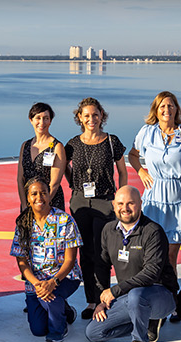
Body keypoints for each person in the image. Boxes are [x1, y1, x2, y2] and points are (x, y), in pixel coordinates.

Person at [88, 183, 180, 342]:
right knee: (94, 332)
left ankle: (140, 341)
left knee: (137, 295)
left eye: (131, 203)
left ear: (140, 204)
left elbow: (151, 273)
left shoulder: (153, 232)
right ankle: (145, 321)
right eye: (120, 204)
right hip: (127, 295)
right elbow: (101, 266)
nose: (125, 208)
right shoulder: (108, 230)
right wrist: (100, 299)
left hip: (159, 295)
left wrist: (114, 291)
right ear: (113, 205)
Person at [127, 89, 181, 270]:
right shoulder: (146, 133)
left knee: (171, 251)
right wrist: (141, 171)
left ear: (176, 109)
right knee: (150, 247)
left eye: (170, 105)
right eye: (162, 106)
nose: (166, 109)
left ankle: (170, 292)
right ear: (155, 110)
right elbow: (133, 155)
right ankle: (152, 287)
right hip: (155, 194)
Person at [65, 97, 129, 308]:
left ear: (102, 116)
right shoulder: (73, 144)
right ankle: (91, 301)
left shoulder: (112, 141)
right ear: (80, 118)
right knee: (85, 252)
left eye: (95, 114)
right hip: (80, 203)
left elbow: (122, 171)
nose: (91, 119)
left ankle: (104, 298)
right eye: (86, 115)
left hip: (105, 202)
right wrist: (74, 186)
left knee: (102, 252)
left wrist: (120, 199)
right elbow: (64, 166)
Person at [10, 177, 83, 342]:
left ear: (50, 195)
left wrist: (53, 281)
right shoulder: (23, 224)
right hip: (35, 282)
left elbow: (70, 260)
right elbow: (22, 263)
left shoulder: (65, 221)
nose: (39, 197)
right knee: (38, 330)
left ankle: (60, 328)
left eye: (43, 193)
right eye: (34, 194)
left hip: (63, 277)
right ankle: (65, 309)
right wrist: (37, 284)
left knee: (50, 298)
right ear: (28, 198)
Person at [19, 101, 69, 211]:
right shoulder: (25, 146)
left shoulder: (57, 147)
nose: (42, 122)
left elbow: (54, 183)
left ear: (50, 121)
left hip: (50, 204)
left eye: (46, 118)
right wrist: (24, 204)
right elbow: (20, 179)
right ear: (31, 120)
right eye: (38, 118)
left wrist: (42, 205)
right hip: (29, 204)